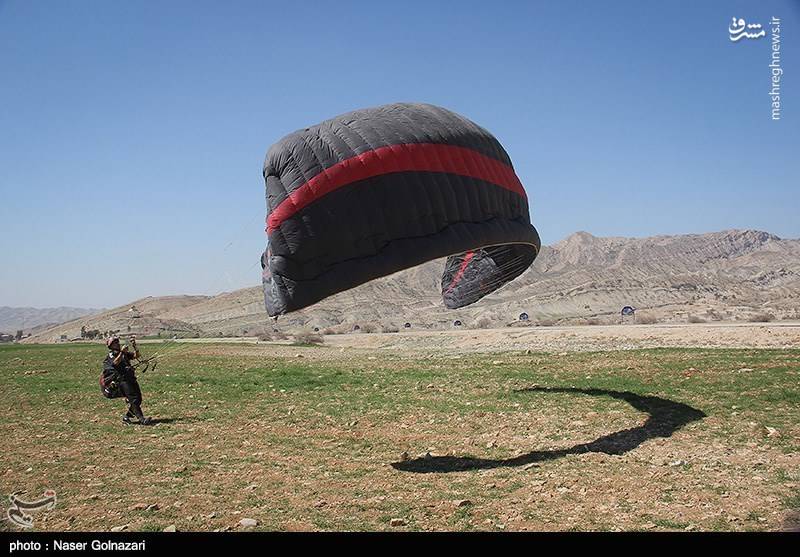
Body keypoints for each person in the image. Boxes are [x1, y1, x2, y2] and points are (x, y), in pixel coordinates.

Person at [103, 336, 152, 425]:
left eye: (118, 342)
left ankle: (127, 417)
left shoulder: (123, 353)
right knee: (133, 399)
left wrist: (134, 346)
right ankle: (142, 419)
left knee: (138, 399)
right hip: (122, 381)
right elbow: (115, 363)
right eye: (115, 342)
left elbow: (136, 356)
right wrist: (122, 352)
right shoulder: (112, 355)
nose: (117, 343)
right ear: (111, 345)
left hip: (130, 378)